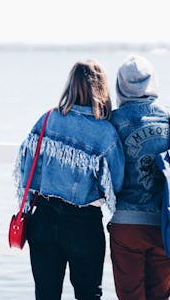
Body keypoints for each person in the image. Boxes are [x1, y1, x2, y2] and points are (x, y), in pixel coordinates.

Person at [12, 59, 125, 300]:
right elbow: (116, 185)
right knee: (88, 295)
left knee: (45, 294)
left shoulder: (47, 119)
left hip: (42, 218)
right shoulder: (105, 133)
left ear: (70, 86)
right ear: (101, 89)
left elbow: (26, 168)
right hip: (83, 223)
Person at [108, 55, 170, 300]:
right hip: (164, 225)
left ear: (119, 85)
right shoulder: (169, 119)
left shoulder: (113, 120)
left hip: (126, 224)